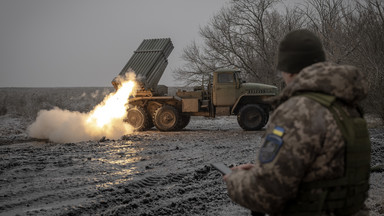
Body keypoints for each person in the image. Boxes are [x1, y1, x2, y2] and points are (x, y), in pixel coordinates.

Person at [223, 29, 371, 216]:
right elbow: (330, 174)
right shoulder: (347, 106)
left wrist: (237, 180)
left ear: (288, 69)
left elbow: (267, 194)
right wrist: (266, 170)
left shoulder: (297, 111)